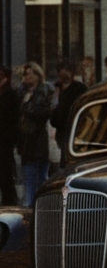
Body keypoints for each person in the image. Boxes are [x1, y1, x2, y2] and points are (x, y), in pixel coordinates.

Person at [17, 63, 53, 207]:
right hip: (25, 138)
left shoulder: (46, 90)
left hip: (40, 137)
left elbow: (47, 112)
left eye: (32, 73)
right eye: (26, 74)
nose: (28, 77)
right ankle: (29, 205)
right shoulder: (21, 92)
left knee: (42, 175)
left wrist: (29, 111)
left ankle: (44, 205)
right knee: (29, 176)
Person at [50, 60, 88, 156]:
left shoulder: (79, 88)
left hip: (75, 129)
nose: (63, 73)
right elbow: (54, 108)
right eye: (61, 70)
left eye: (67, 70)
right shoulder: (56, 88)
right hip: (61, 131)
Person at [0, 66, 19, 206]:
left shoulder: (10, 95)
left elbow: (12, 119)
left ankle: (9, 200)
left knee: (5, 171)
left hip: (5, 139)